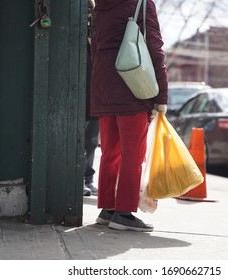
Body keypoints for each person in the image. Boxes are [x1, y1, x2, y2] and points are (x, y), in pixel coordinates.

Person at [90, 0, 167, 232]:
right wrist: (161, 95)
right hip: (132, 85)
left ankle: (108, 209)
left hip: (103, 85)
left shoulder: (100, 6)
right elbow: (154, 48)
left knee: (110, 152)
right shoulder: (141, 3)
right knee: (133, 153)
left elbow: (94, 47)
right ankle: (124, 212)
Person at [83, 0, 99, 197]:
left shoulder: (100, 14)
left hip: (96, 88)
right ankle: (80, 178)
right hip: (82, 86)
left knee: (92, 138)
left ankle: (88, 177)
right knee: (81, 134)